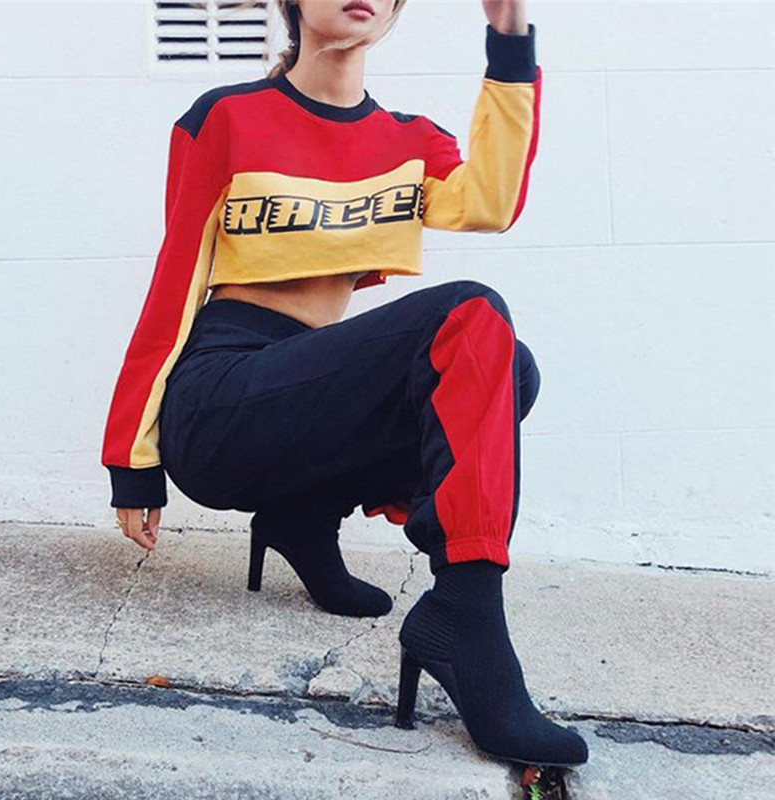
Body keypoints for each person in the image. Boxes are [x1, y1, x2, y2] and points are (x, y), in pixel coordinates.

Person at [101, 0, 589, 768]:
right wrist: (132, 460)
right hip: (222, 395)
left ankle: (305, 516)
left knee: (507, 364)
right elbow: (175, 281)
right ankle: (468, 618)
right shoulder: (226, 117)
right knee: (470, 312)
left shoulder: (408, 140)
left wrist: (508, 37)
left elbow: (492, 205)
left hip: (310, 386)